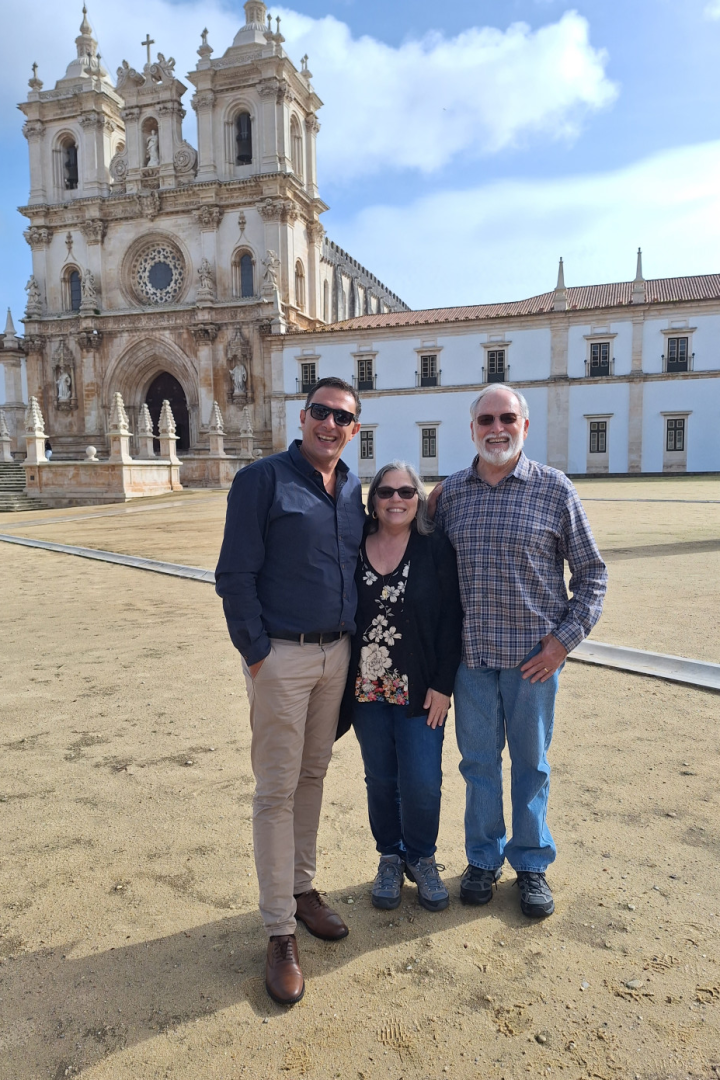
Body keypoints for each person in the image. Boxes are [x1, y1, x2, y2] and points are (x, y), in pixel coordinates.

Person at [215, 377, 365, 1005]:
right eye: (322, 413)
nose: (331, 424)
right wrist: (257, 657)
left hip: (337, 653)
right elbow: (233, 573)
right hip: (281, 655)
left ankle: (302, 890)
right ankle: (279, 929)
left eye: (344, 417)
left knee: (313, 776)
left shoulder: (354, 487)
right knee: (275, 789)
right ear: (302, 416)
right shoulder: (262, 481)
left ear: (354, 429)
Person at [433, 385, 607, 919]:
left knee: (532, 764)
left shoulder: (555, 490)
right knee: (478, 764)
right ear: (472, 429)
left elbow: (593, 576)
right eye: (486, 419)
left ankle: (531, 863)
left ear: (524, 427)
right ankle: (483, 859)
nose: (496, 428)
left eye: (507, 418)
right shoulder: (451, 495)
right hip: (472, 659)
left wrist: (562, 643)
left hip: (534, 661)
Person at [338, 462, 462, 913]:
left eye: (406, 492)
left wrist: (444, 685)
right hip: (366, 690)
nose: (396, 499)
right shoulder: (354, 548)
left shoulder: (434, 548)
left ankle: (422, 857)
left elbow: (453, 620)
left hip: (421, 689)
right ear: (373, 500)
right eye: (386, 491)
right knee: (381, 778)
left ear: (419, 499)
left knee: (424, 781)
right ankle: (390, 856)